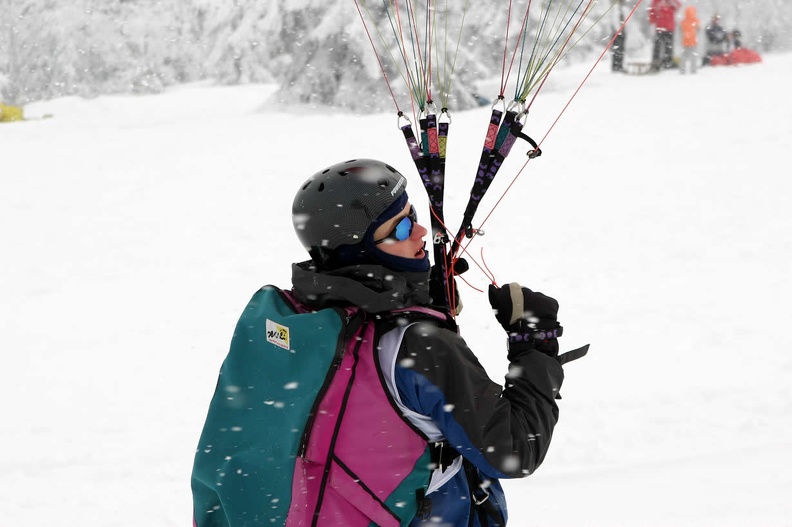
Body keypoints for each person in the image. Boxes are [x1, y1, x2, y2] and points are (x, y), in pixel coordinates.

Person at [191, 159, 571, 526]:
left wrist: (416, 296)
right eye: (401, 230)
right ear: (360, 252)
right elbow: (514, 452)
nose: (420, 234)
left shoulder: (298, 322)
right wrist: (534, 344)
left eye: (414, 217)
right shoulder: (419, 346)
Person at [648, 0, 681, 71]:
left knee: (668, 46)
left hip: (669, 27)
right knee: (657, 46)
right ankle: (656, 62)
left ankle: (667, 62)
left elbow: (678, 6)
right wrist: (652, 21)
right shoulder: (656, 1)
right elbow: (652, 11)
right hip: (659, 27)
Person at [679, 6, 700, 74]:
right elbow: (699, 29)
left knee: (684, 56)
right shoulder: (696, 21)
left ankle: (682, 69)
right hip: (693, 41)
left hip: (685, 41)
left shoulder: (683, 22)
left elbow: (680, 31)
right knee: (693, 56)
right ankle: (693, 69)